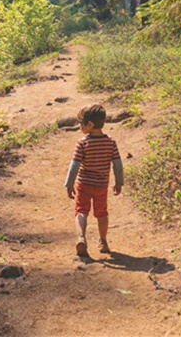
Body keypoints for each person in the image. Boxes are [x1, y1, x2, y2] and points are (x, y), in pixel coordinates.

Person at [64, 103, 123, 257]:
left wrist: (69, 184)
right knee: (102, 213)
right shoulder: (110, 142)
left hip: (84, 184)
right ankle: (103, 241)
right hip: (101, 185)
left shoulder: (82, 143)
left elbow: (74, 166)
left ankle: (81, 238)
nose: (80, 127)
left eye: (81, 124)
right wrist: (119, 182)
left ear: (89, 125)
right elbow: (117, 163)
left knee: (81, 211)